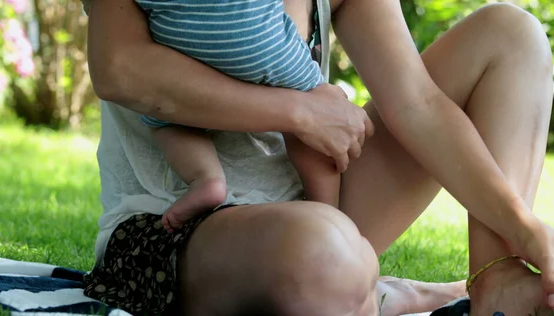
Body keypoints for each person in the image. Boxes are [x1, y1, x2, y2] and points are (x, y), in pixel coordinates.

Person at [81, 0, 554, 314]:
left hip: (319, 205)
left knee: (513, 36)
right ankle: (375, 290)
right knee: (324, 256)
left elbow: (417, 105)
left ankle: (498, 285)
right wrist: (299, 111)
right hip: (173, 227)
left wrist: (523, 228)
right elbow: (119, 69)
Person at [134, 0, 341, 232]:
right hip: (249, 28)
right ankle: (328, 214)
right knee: (316, 111)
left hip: (175, 33)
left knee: (167, 116)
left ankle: (206, 179)